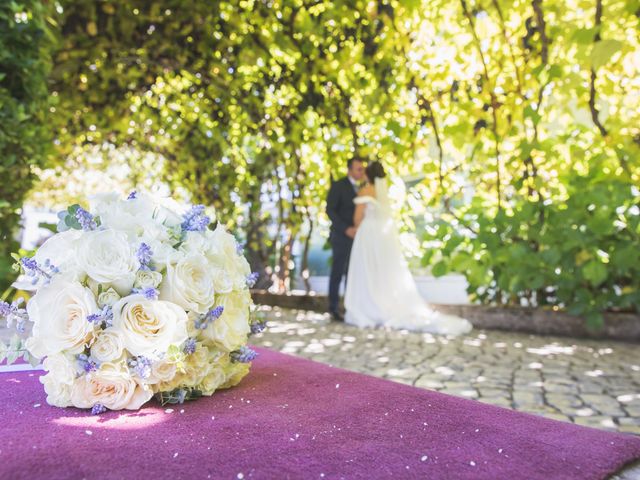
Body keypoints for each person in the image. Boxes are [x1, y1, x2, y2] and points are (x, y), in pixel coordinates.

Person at [344, 161, 472, 335]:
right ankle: (382, 304)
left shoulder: (365, 191)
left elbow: (357, 219)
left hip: (367, 235)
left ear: (368, 174)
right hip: (380, 236)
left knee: (367, 270)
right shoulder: (383, 193)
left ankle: (368, 306)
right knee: (381, 271)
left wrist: (356, 226)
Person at [325, 157, 366, 322]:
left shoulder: (365, 187)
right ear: (349, 170)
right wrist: (345, 229)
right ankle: (333, 308)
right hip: (341, 237)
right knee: (337, 272)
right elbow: (330, 210)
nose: (361, 172)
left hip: (359, 238)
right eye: (358, 169)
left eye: (362, 169)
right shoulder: (338, 185)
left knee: (353, 273)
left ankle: (351, 307)